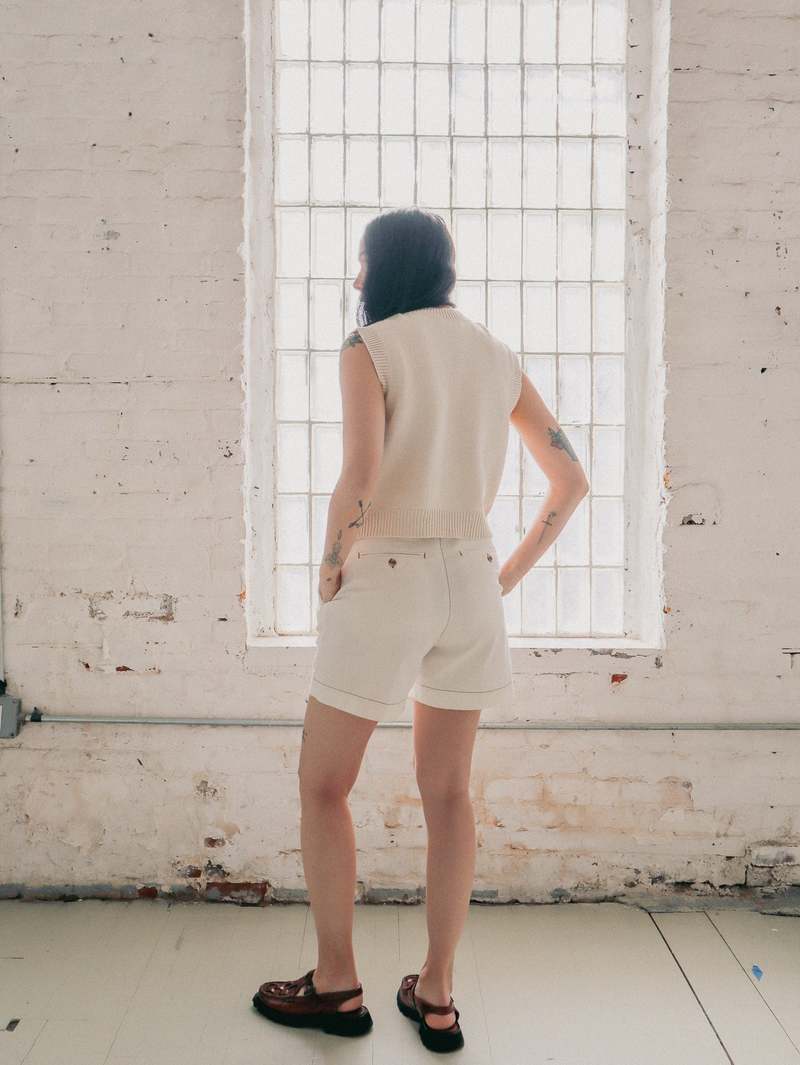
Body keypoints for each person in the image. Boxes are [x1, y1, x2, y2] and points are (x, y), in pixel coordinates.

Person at [252, 208, 590, 1051]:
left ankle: (337, 984)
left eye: (362, 263)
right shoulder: (495, 355)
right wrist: (501, 575)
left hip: (387, 577)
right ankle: (437, 993)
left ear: (387, 267)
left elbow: (360, 476)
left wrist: (329, 565)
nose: (356, 278)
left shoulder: (370, 348)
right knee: (448, 794)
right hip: (470, 582)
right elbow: (570, 479)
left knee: (323, 784)